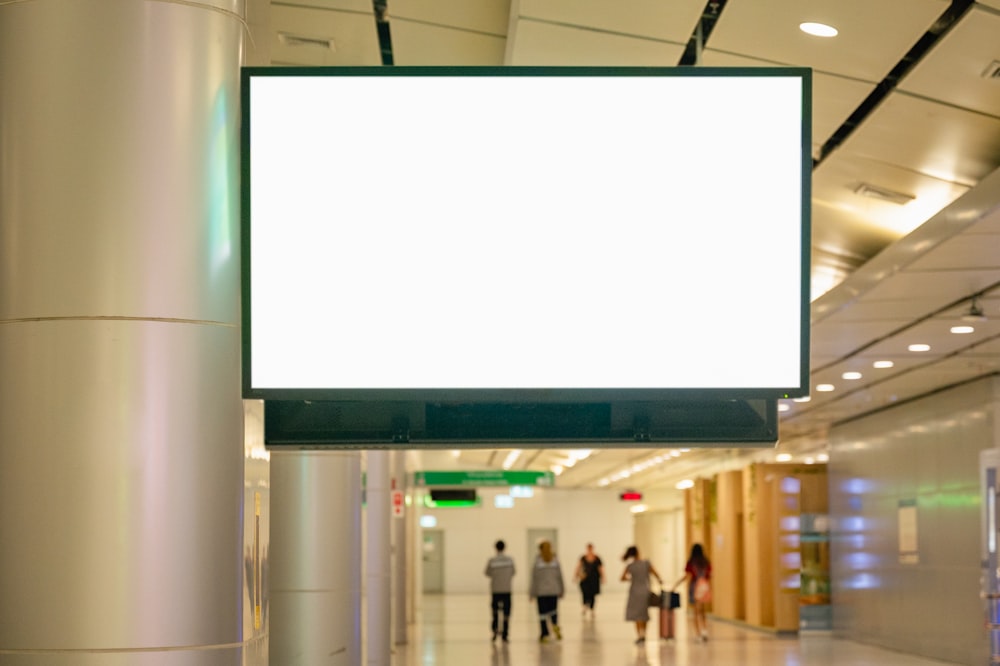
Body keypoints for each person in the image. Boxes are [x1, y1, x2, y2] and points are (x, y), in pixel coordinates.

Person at [620, 545, 662, 644]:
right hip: (645, 591)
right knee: (643, 614)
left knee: (636, 615)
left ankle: (639, 635)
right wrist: (660, 580)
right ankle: (644, 634)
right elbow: (655, 573)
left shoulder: (630, 566)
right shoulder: (646, 563)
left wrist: (630, 578)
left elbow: (622, 578)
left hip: (634, 591)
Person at [673, 543, 712, 642]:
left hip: (695, 587)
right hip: (704, 587)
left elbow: (688, 576)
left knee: (696, 611)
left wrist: (676, 584)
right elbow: (709, 575)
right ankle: (704, 630)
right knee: (702, 610)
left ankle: (698, 633)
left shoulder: (691, 563)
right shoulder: (705, 562)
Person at [529, 540, 565, 642]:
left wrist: (532, 593)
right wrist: (562, 589)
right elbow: (560, 576)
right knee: (553, 610)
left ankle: (544, 634)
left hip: (541, 592)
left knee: (542, 614)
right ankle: (554, 625)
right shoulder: (555, 561)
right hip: (554, 590)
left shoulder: (538, 562)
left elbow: (534, 578)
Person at [484, 539, 515, 642]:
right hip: (507, 589)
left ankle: (495, 631)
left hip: (496, 589)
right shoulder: (510, 560)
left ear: (496, 548)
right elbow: (513, 572)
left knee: (495, 612)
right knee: (506, 612)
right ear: (504, 548)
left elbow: (487, 573)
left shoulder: (492, 560)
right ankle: (505, 634)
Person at [574, 542, 604, 618]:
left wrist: (603, 577)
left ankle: (592, 609)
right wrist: (576, 575)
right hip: (585, 579)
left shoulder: (597, 558)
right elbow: (578, 566)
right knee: (585, 593)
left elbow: (600, 568)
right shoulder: (583, 557)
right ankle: (585, 606)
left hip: (594, 579)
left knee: (592, 595)